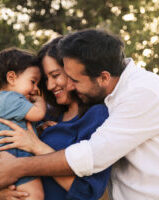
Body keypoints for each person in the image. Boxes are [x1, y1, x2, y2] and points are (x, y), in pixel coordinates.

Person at [0, 29, 159, 200]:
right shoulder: (54, 113)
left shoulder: (142, 93)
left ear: (103, 77)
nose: (67, 85)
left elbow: (91, 157)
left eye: (73, 79)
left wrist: (18, 166)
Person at [0, 37, 110, 200]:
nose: (50, 86)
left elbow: (93, 194)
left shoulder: (96, 116)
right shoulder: (48, 115)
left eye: (55, 75)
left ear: (74, 72)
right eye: (46, 79)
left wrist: (36, 146)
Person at [0, 48, 45, 200]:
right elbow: (38, 113)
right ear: (11, 78)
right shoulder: (11, 98)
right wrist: (40, 101)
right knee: (34, 195)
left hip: (7, 154)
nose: (35, 89)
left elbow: (23, 125)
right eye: (33, 82)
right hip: (15, 154)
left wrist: (40, 128)